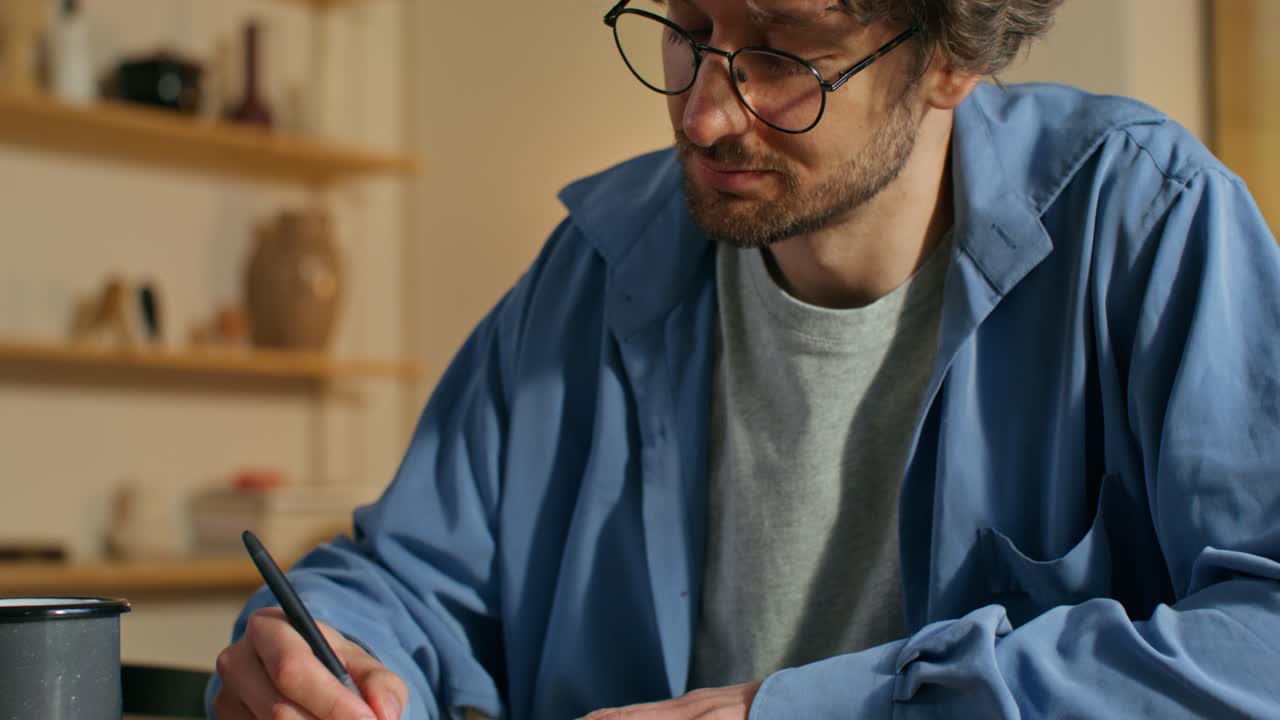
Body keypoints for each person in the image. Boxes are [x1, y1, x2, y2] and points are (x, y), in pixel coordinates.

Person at [208, 0, 1280, 718]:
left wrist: (806, 710)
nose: (703, 111)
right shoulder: (594, 263)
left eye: (780, 52)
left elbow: (1262, 640)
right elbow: (414, 575)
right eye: (687, 26)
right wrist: (328, 646)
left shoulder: (1146, 222)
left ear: (951, 55)